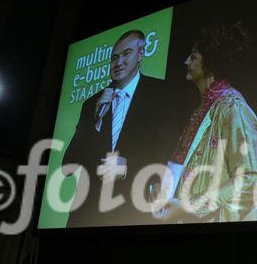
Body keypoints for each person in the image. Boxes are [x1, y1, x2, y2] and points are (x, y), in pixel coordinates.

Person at [152, 21, 257, 223]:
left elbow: (252, 179)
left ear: (210, 63)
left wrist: (191, 207)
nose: (186, 61)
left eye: (194, 56)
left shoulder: (232, 106)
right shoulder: (202, 109)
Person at [63, 30, 178, 227]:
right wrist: (96, 121)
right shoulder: (93, 103)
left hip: (133, 212)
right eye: (115, 57)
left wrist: (128, 167)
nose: (119, 62)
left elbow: (168, 153)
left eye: (127, 54)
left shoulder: (162, 94)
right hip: (87, 214)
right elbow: (68, 165)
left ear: (140, 55)